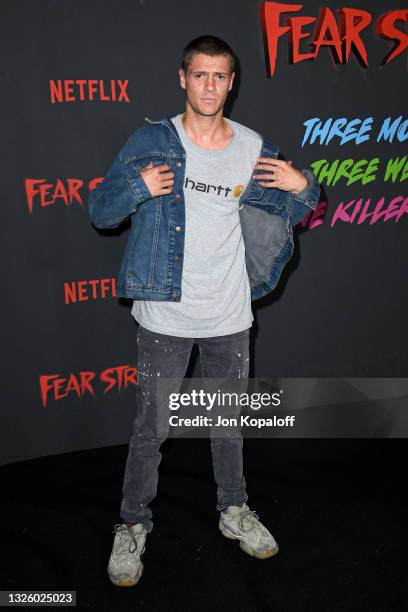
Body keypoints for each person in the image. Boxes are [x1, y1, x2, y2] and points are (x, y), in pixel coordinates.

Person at [88, 35, 320, 587]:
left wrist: (305, 185)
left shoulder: (251, 146)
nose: (210, 85)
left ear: (231, 83)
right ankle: (132, 522)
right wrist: (136, 188)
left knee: (227, 426)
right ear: (183, 79)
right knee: (151, 430)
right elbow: (100, 211)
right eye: (200, 75)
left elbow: (288, 208)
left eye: (220, 76)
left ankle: (233, 510)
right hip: (166, 315)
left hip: (229, 316)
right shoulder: (150, 141)